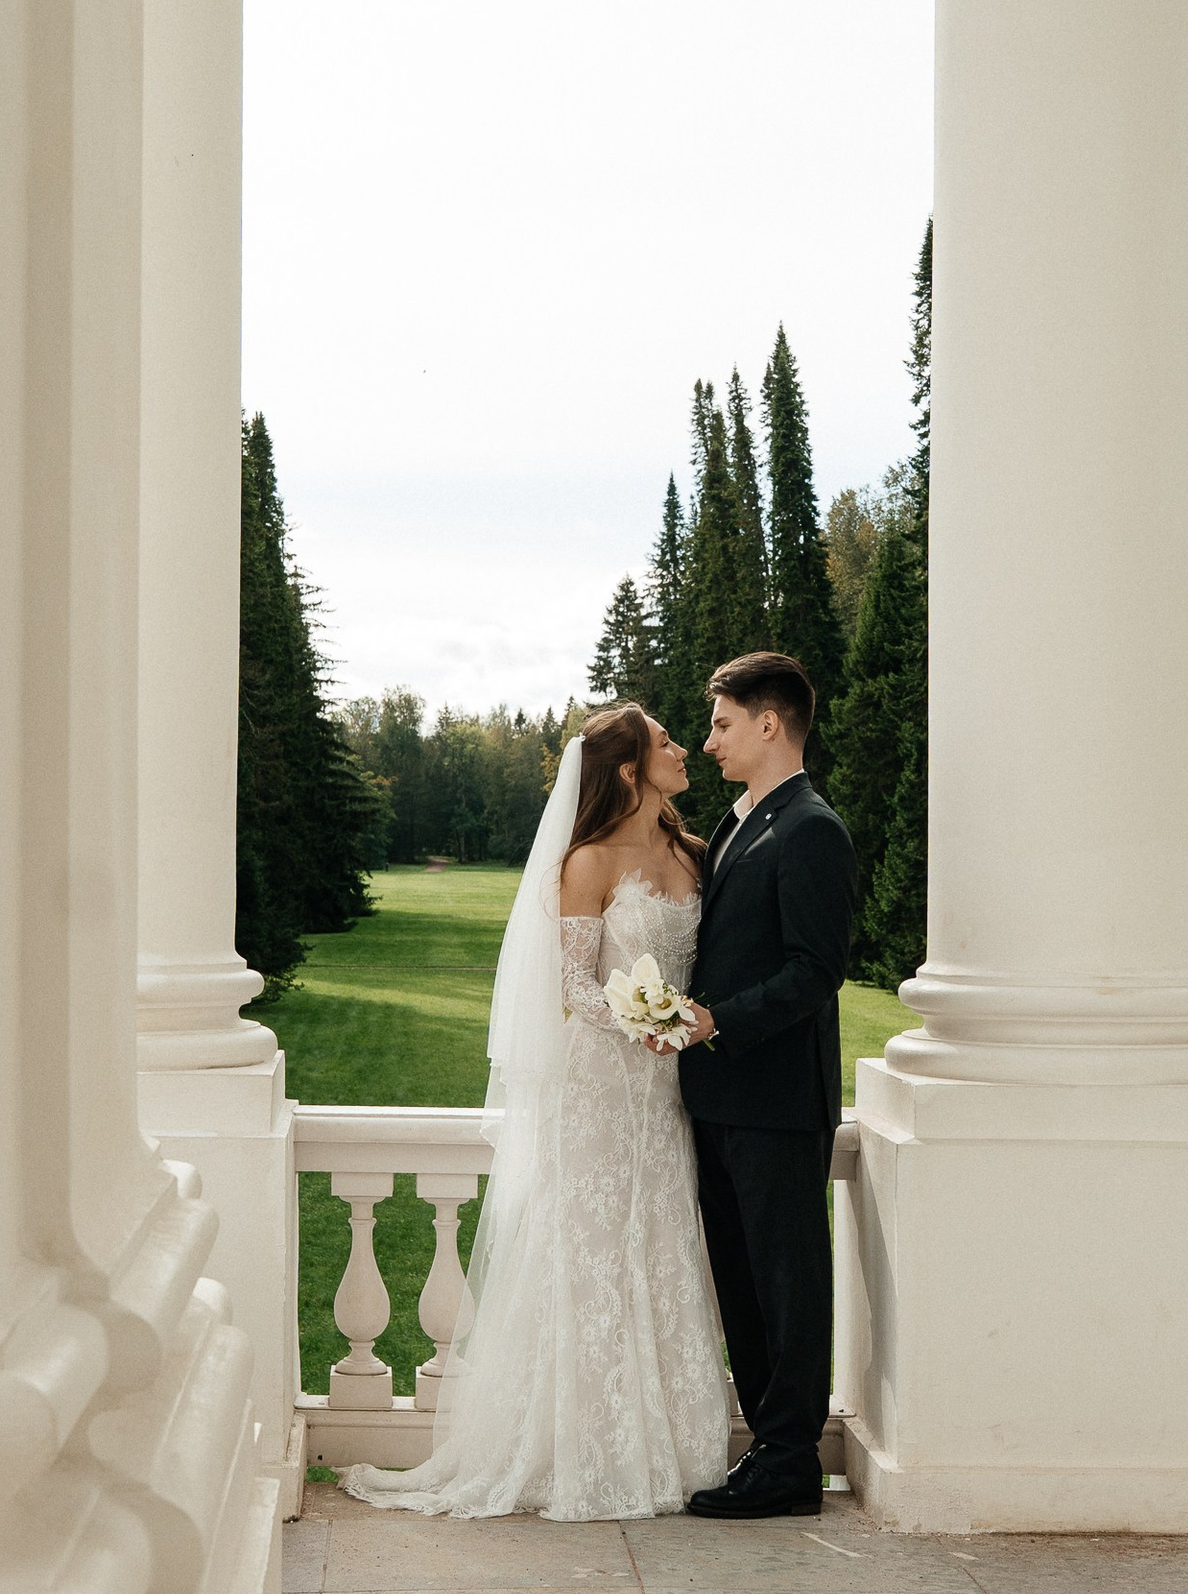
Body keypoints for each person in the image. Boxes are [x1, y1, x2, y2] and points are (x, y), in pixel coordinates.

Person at [342, 705, 733, 1520]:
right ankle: (579, 1447)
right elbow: (576, 987)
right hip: (598, 1085)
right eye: (665, 742)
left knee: (660, 1241)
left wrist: (680, 1025)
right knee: (586, 1249)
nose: (683, 747)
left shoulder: (695, 852)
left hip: (667, 1094)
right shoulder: (585, 862)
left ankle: (673, 1445)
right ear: (629, 770)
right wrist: (649, 1020)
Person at [672, 651, 858, 1521]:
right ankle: (767, 1452)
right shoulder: (743, 818)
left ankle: (791, 1460)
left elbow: (815, 973)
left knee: (786, 1283)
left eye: (721, 723)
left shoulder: (812, 828)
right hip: (718, 1097)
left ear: (769, 724)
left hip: (779, 1103)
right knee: (740, 1282)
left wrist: (719, 1021)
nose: (710, 740)